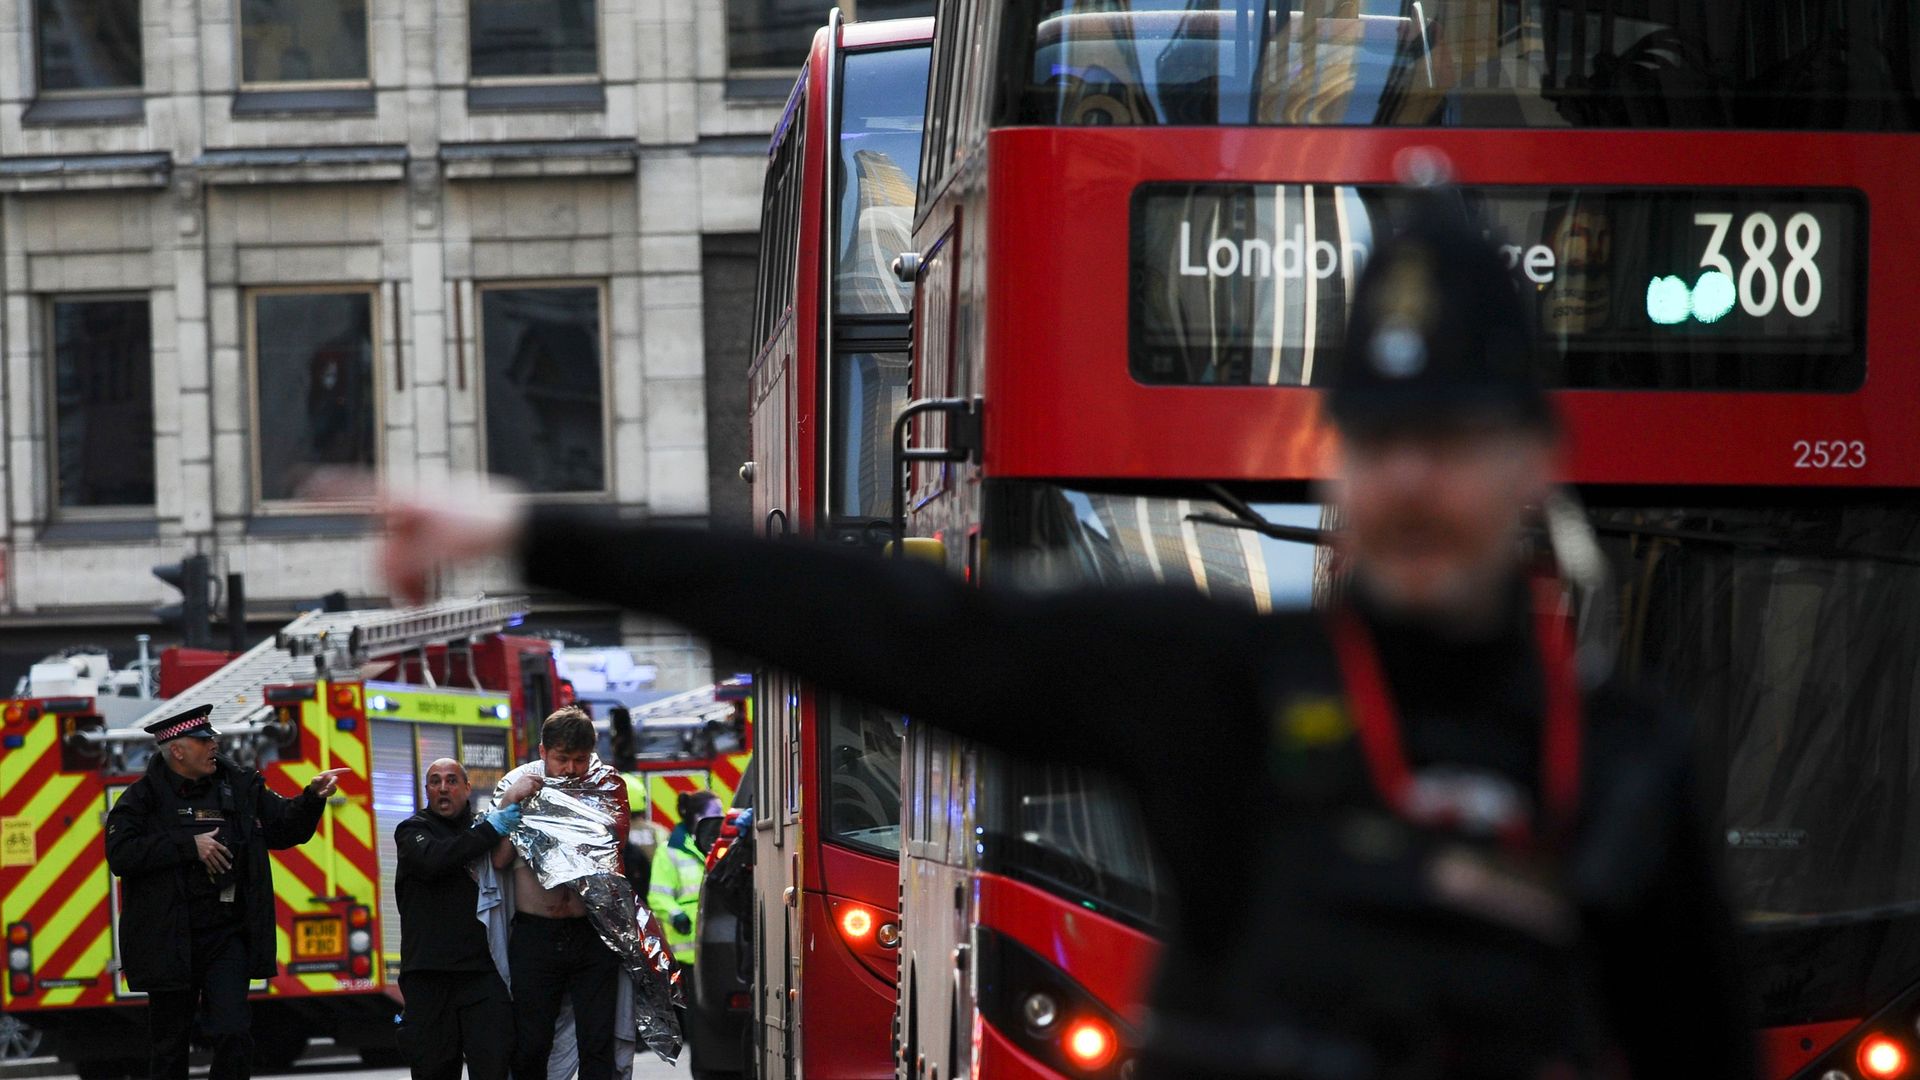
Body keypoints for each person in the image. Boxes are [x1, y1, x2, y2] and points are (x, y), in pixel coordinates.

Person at [379, 212, 1755, 1079]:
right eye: (1383, 444)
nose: (1413, 487)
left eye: (1454, 444)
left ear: (1534, 466)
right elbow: (892, 626)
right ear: (1336, 467)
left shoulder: (1629, 766)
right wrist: (538, 533)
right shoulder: (1227, 685)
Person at [104, 704, 345, 1080]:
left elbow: (285, 829)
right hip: (168, 938)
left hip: (225, 935)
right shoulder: (141, 800)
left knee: (234, 1031)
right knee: (169, 1048)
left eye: (212, 737)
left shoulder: (240, 785)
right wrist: (189, 845)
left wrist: (312, 798)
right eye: (202, 740)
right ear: (177, 750)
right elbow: (122, 855)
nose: (213, 743)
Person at [492, 707, 630, 1080]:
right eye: (562, 759)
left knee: (597, 1043)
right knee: (532, 1042)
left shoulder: (605, 787)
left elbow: (615, 853)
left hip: (591, 934)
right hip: (537, 935)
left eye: (580, 760)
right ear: (542, 753)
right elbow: (500, 859)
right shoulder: (518, 785)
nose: (570, 769)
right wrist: (513, 805)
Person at [393, 758, 537, 1080]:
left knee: (495, 1067)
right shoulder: (412, 831)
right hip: (428, 978)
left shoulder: (484, 828)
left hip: (481, 977)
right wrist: (492, 829)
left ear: (468, 788)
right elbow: (434, 860)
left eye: (452, 780)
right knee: (434, 1071)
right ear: (427, 790)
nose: (443, 788)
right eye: (435, 781)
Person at [650, 790, 722, 964]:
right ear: (698, 817)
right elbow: (658, 896)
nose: (722, 817)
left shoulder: (719, 847)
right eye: (716, 813)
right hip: (685, 953)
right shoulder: (669, 851)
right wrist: (677, 916)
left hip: (718, 946)